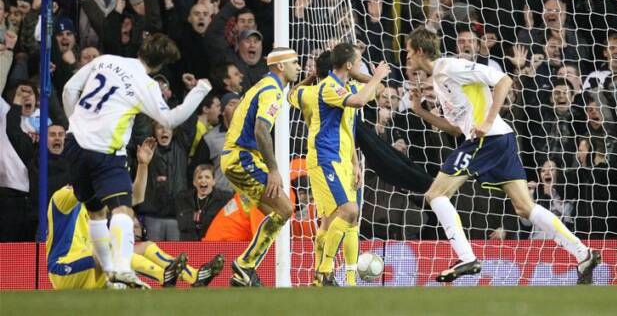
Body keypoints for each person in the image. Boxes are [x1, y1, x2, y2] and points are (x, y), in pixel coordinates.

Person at [404, 26, 601, 284]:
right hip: (500, 139)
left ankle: (466, 258)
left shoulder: (450, 67)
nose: (406, 57)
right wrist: (420, 111)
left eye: (408, 51)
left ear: (419, 50)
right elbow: (455, 128)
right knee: (524, 206)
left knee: (435, 194)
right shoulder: (441, 81)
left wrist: (487, 121)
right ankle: (582, 253)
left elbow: (504, 80)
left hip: (487, 139)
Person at [61, 33, 212, 287]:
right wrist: (200, 91)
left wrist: (75, 124)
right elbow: (170, 120)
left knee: (96, 212)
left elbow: (68, 90)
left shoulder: (105, 60)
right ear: (161, 65)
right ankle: (121, 269)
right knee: (123, 209)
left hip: (74, 143)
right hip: (105, 150)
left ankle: (110, 276)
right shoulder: (145, 85)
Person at [47, 138, 223, 290]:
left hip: (93, 268)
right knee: (114, 251)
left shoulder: (97, 202)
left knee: (144, 246)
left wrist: (143, 165)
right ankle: (164, 276)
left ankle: (194, 276)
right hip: (64, 269)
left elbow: (136, 197)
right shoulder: (62, 197)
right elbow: (84, 187)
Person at [290, 44, 389, 286]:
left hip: (346, 159)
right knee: (344, 213)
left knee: (348, 219)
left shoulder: (347, 86)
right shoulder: (323, 90)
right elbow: (292, 95)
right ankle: (323, 270)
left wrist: (355, 163)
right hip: (325, 158)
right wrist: (375, 75)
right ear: (346, 65)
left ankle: (349, 280)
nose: (359, 65)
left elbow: (378, 91)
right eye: (357, 62)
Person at [220, 47, 301, 287]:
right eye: (294, 63)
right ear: (280, 66)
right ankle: (245, 265)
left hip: (238, 156)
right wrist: (274, 170)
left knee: (276, 214)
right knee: (285, 210)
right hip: (242, 158)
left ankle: (242, 274)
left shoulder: (263, 86)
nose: (298, 66)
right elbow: (261, 129)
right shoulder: (271, 91)